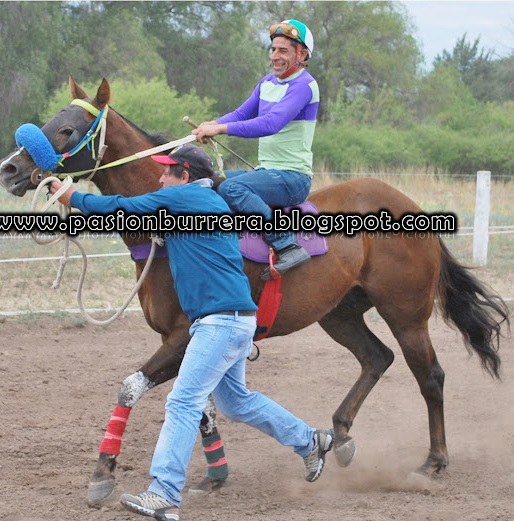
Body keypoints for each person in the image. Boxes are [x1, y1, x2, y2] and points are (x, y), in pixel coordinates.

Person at [49, 143, 334, 521]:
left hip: (219, 323)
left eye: (167, 172)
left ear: (184, 176)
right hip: (235, 321)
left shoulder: (183, 198)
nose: (160, 179)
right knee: (236, 403)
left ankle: (164, 494)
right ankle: (310, 440)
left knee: (183, 402)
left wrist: (71, 196)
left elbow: (122, 207)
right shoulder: (209, 203)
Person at [193, 19, 319, 281]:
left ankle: (287, 245)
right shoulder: (267, 83)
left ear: (301, 54)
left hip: (293, 178)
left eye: (283, 50)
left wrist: (221, 129)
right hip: (267, 172)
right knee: (209, 182)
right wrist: (212, 124)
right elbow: (241, 114)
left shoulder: (305, 86)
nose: (275, 56)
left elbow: (271, 123)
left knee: (232, 189)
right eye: (273, 50)